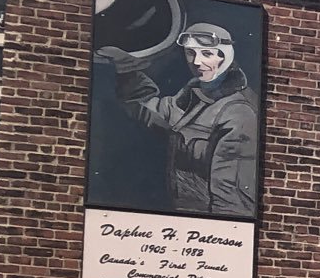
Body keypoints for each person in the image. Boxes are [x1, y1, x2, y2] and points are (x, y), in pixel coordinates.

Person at [96, 21, 259, 217]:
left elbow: (231, 197)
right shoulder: (191, 98)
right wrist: (127, 69)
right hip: (184, 220)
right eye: (191, 53)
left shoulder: (239, 113)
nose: (197, 61)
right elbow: (149, 110)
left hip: (208, 227)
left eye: (207, 53)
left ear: (224, 56)